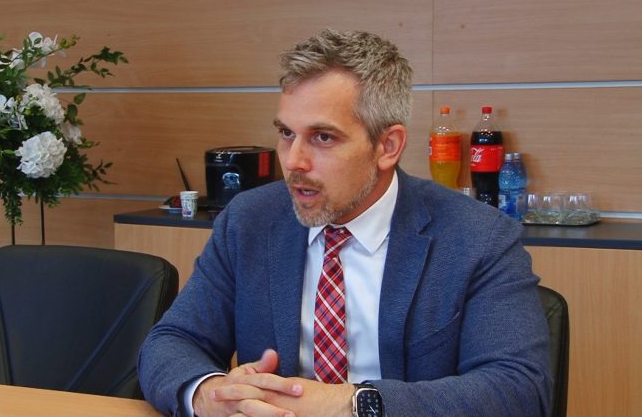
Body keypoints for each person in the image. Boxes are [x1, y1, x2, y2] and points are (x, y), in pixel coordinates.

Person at [139, 29, 551, 416]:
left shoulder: (478, 236)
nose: (293, 162)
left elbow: (518, 389)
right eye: (287, 133)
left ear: (387, 146)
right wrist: (209, 394)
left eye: (323, 138)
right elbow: (172, 341)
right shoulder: (250, 220)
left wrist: (351, 404)